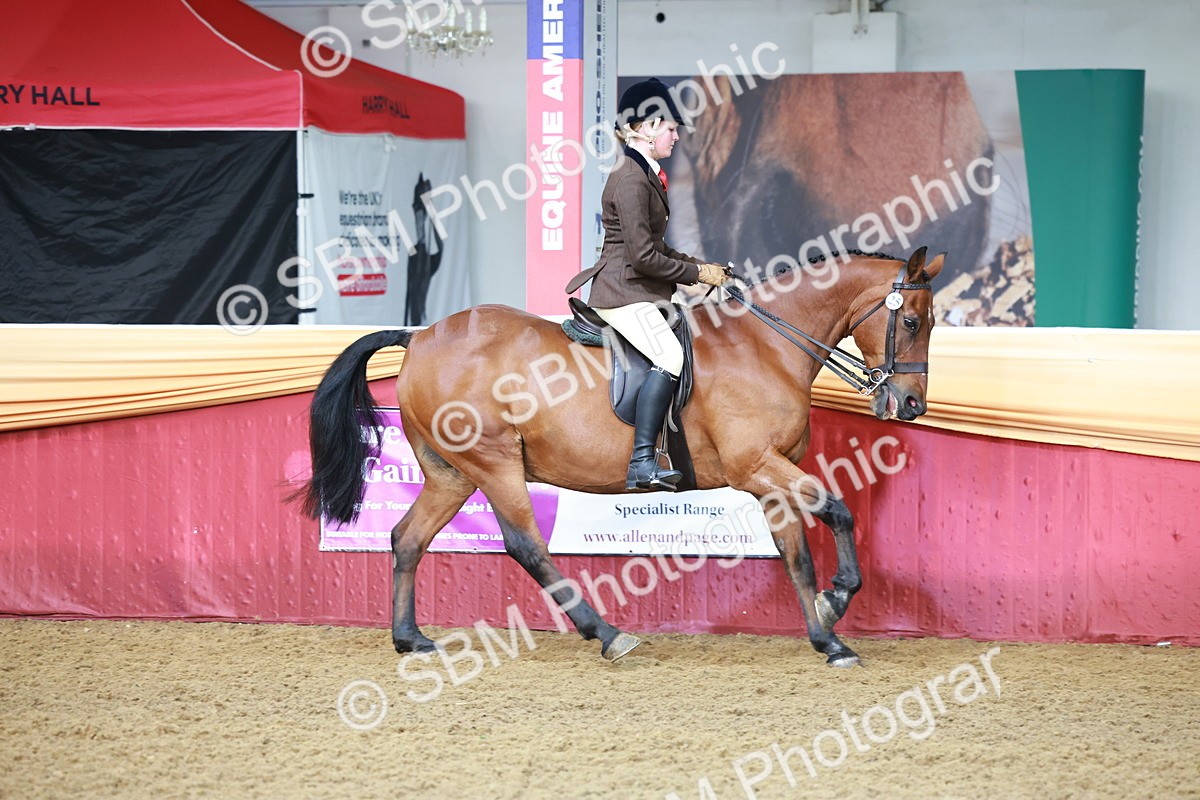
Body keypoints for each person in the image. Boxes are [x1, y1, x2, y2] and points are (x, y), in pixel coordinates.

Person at [565, 77, 728, 493]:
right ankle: (641, 463)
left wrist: (703, 267)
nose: (676, 136)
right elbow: (642, 257)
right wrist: (694, 276)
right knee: (670, 357)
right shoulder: (632, 179)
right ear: (644, 127)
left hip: (639, 288)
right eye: (670, 128)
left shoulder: (644, 172)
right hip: (624, 292)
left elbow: (657, 245)